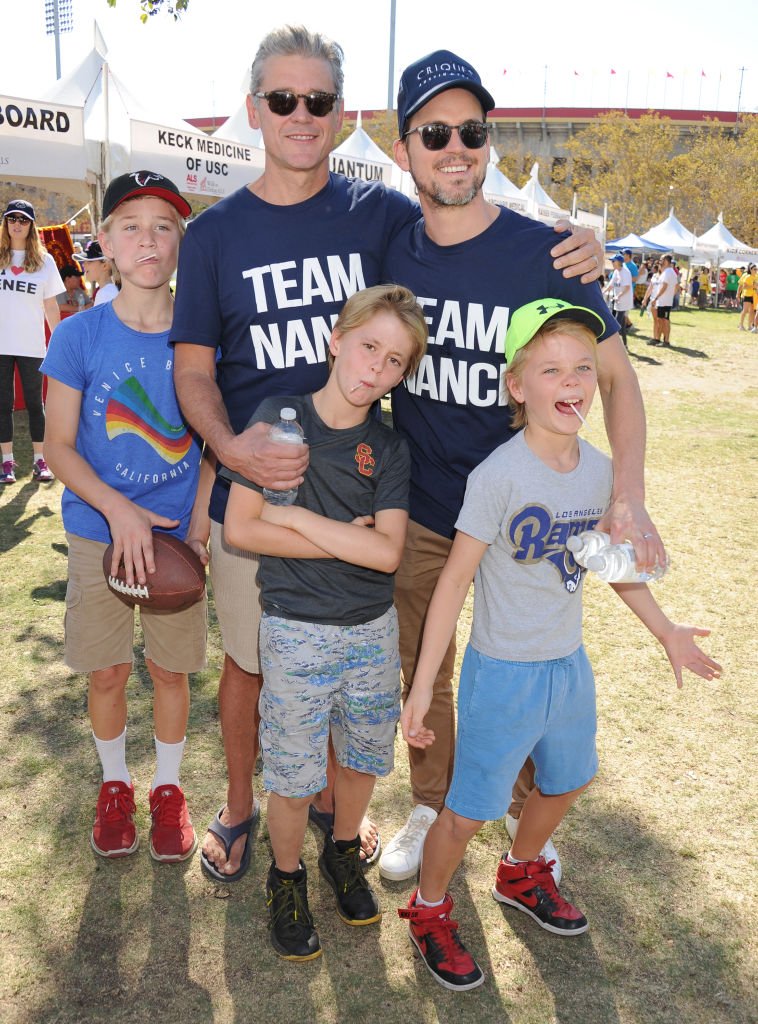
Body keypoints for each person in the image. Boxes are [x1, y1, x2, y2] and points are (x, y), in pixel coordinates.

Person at [170, 24, 604, 882]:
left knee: (371, 664)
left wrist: (576, 238)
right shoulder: (217, 232)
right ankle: (240, 805)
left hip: (377, 491)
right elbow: (192, 368)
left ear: (342, 114)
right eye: (284, 99)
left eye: (319, 100)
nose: (301, 115)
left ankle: (348, 812)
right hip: (266, 489)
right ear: (255, 108)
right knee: (254, 662)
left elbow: (467, 221)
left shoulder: (384, 216)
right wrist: (230, 451)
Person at [377, 50, 665, 883]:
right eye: (435, 133)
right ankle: (432, 800)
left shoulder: (551, 253)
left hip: (536, 516)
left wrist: (629, 498)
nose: (455, 147)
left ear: (488, 140)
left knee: (536, 667)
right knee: (423, 668)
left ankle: (518, 807)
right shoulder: (393, 250)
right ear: (405, 151)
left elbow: (615, 376)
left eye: (472, 130)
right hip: (431, 507)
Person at [397, 297, 722, 991]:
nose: (570, 382)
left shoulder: (604, 473)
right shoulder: (498, 476)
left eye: (581, 367)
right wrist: (424, 686)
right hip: (502, 675)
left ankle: (520, 873)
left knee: (570, 779)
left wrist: (665, 630)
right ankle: (428, 909)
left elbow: (611, 567)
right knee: (469, 811)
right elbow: (453, 583)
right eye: (550, 369)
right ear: (517, 386)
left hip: (567, 668)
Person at [219, 284, 426, 960]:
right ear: (337, 339)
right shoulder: (279, 417)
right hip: (296, 626)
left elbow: (388, 551)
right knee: (293, 773)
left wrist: (299, 517)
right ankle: (285, 880)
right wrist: (344, 534)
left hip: (371, 630)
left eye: (395, 361)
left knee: (362, 760)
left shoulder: (388, 447)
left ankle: (343, 851)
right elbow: (244, 528)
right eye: (369, 347)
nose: (376, 368)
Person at [41, 171, 211, 863]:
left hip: (175, 539)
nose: (149, 239)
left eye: (164, 226)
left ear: (180, 244)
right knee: (107, 671)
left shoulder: (204, 340)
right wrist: (118, 511)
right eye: (131, 225)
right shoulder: (80, 335)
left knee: (171, 674)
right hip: (95, 533)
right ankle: (115, 785)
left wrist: (196, 529)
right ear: (105, 240)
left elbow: (212, 448)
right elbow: (55, 444)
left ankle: (167, 790)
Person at [0, 199, 63, 485]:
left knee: (37, 405)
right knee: (3, 405)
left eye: (23, 219)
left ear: (31, 225)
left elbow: (50, 306)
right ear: (5, 223)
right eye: (11, 218)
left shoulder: (44, 260)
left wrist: (60, 341)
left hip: (32, 345)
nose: (17, 224)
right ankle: (6, 462)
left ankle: (40, 460)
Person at [603, 253, 634, 346]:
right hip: (618, 301)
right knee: (622, 324)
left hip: (624, 301)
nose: (612, 263)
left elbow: (627, 287)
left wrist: (618, 296)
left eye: (613, 261)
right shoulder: (616, 271)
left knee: (616, 323)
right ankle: (624, 344)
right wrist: (603, 292)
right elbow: (611, 284)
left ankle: (612, 345)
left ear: (619, 262)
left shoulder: (625, 272)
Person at [77, 239, 119, 306]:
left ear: (105, 266)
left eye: (89, 261)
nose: (84, 264)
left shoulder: (107, 293)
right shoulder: (106, 291)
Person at [647, 254, 677, 347]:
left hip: (664, 302)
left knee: (665, 320)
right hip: (662, 301)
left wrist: (656, 298)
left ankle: (666, 341)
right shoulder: (667, 272)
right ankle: (658, 339)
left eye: (662, 259)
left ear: (666, 261)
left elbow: (664, 286)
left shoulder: (668, 272)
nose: (660, 261)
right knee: (660, 320)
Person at [736, 264, 757, 331]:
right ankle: (741, 325)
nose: (756, 270)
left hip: (753, 295)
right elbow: (744, 286)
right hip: (747, 295)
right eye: (754, 269)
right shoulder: (747, 276)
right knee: (745, 310)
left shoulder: (755, 277)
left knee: (752, 312)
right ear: (750, 270)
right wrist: (753, 286)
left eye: (756, 269)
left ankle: (749, 326)